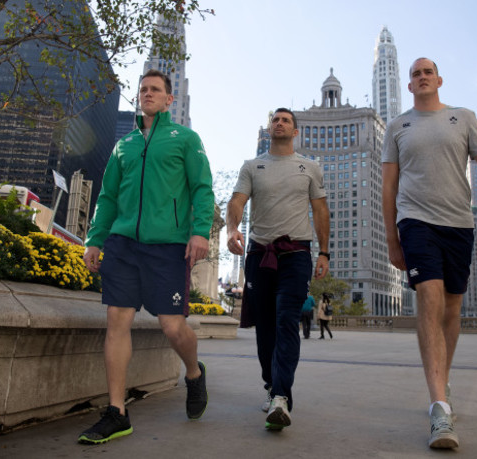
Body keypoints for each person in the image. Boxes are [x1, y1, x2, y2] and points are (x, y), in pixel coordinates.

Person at [382, 58, 477, 449]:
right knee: (429, 297)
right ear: (410, 85)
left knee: (452, 309)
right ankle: (439, 409)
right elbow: (388, 187)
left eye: (427, 71)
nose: (421, 77)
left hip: (459, 225)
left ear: (439, 80)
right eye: (415, 74)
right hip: (415, 222)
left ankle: (441, 380)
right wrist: (392, 238)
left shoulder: (463, 118)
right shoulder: (398, 126)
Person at [78, 69, 215, 444]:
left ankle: (193, 372)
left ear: (170, 99)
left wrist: (200, 231)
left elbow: (203, 187)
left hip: (167, 246)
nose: (147, 94)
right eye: (143, 90)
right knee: (117, 320)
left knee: (173, 327)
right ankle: (117, 411)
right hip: (122, 244)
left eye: (155, 89)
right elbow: (107, 197)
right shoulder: (125, 145)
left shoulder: (185, 139)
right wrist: (95, 239)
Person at [226, 107, 330, 431]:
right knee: (265, 328)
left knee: (287, 319)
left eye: (286, 120)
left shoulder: (309, 167)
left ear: (295, 131)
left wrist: (324, 252)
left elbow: (320, 210)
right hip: (260, 254)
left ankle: (282, 397)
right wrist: (232, 229)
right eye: (275, 119)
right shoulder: (252, 166)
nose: (280, 123)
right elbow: (236, 202)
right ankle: (271, 385)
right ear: (270, 128)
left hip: (296, 252)